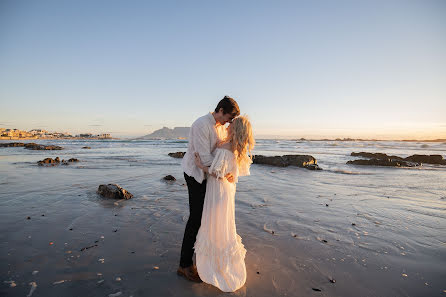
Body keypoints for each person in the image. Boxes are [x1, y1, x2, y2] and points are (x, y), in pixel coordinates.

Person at [177, 96, 240, 282]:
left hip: (211, 176)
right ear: (220, 110)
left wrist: (227, 170)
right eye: (228, 117)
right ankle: (184, 264)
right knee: (196, 218)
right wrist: (223, 172)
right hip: (196, 174)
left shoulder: (221, 126)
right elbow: (204, 159)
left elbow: (222, 155)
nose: (229, 122)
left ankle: (205, 259)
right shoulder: (201, 125)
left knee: (208, 219)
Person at [193, 115, 255, 292]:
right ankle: (220, 257)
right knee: (222, 224)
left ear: (236, 129)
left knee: (216, 223)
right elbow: (232, 171)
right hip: (225, 189)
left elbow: (218, 172)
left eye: (232, 124)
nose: (228, 125)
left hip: (219, 188)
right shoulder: (234, 146)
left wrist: (200, 165)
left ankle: (216, 263)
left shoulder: (228, 146)